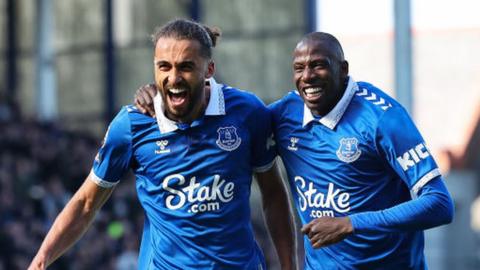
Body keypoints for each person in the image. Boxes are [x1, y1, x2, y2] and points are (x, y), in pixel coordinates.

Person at [135, 31, 455, 269]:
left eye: (319, 65)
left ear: (343, 69)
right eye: (299, 68)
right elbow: (220, 120)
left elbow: (440, 204)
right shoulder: (283, 116)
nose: (307, 76)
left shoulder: (383, 118)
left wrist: (351, 223)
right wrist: (161, 97)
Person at [28, 19, 295, 270]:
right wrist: (39, 262)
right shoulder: (132, 125)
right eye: (164, 66)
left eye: (186, 67)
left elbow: (273, 194)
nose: (174, 77)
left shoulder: (247, 112)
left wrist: (288, 265)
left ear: (209, 70)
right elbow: (87, 203)